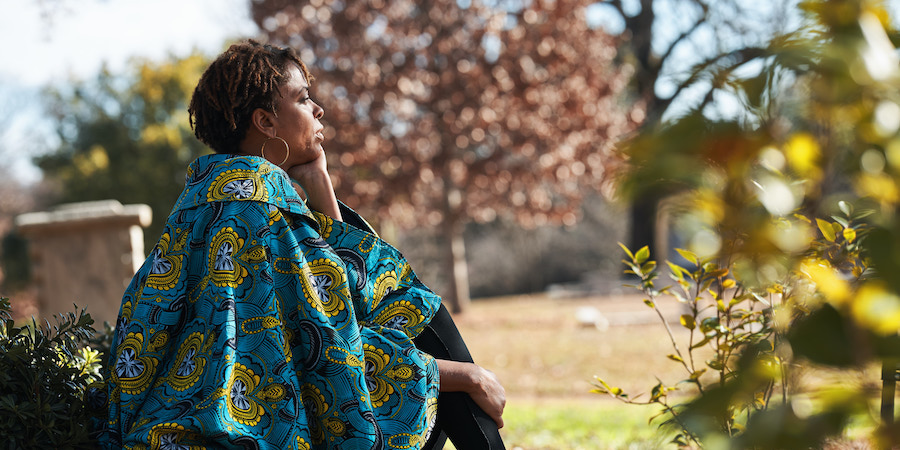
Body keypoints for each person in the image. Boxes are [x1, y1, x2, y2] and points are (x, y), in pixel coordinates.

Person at [101, 40, 506, 449]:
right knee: (420, 315)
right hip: (262, 432)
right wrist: (463, 374)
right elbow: (332, 343)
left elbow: (340, 295)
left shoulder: (202, 206)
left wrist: (318, 181)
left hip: (199, 423)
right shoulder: (260, 214)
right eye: (303, 98)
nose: (318, 109)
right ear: (266, 122)